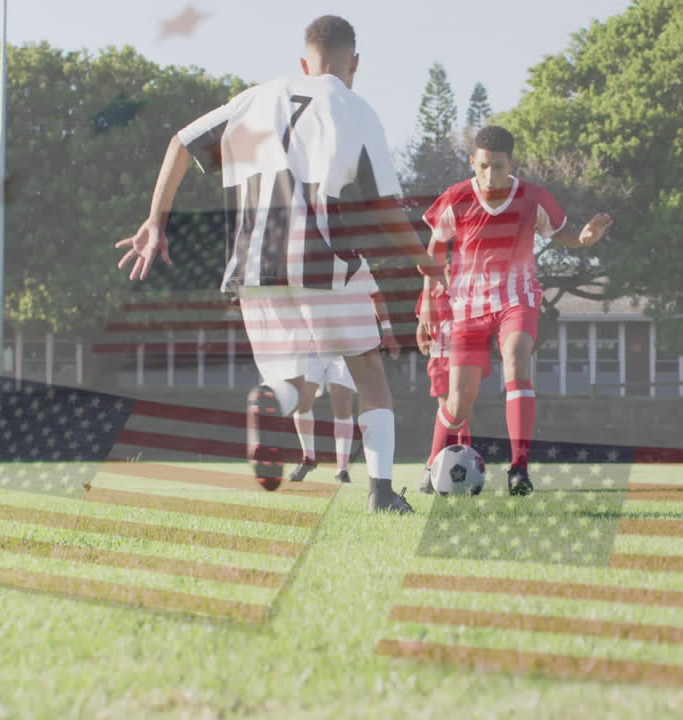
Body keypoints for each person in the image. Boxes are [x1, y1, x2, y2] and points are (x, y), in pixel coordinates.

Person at [116, 15, 437, 513]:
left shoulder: (253, 100)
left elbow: (181, 142)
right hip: (325, 264)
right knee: (368, 371)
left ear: (304, 63)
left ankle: (273, 405)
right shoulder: (354, 108)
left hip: (254, 268)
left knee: (299, 387)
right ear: (354, 63)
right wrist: (427, 264)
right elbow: (385, 209)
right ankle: (381, 493)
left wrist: (156, 220)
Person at [418, 126, 612, 495]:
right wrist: (428, 302)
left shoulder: (533, 198)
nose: (490, 174)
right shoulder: (456, 198)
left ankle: (519, 469)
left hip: (516, 299)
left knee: (516, 360)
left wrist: (584, 239)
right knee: (459, 403)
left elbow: (563, 233)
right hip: (468, 307)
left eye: (499, 166)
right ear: (472, 162)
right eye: (483, 166)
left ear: (512, 164)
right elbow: (434, 249)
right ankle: (432, 466)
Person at [288, 279, 402, 485]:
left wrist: (387, 331)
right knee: (302, 401)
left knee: (342, 403)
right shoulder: (301, 264)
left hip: (344, 342)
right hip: (311, 344)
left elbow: (375, 295)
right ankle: (308, 457)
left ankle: (342, 469)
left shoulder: (354, 265)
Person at [414, 265, 485, 494]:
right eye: (446, 264)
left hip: (465, 357)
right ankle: (435, 467)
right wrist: (423, 338)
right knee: (449, 412)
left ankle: (462, 465)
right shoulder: (432, 292)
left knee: (464, 414)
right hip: (441, 359)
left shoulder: (469, 290)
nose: (449, 268)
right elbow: (422, 323)